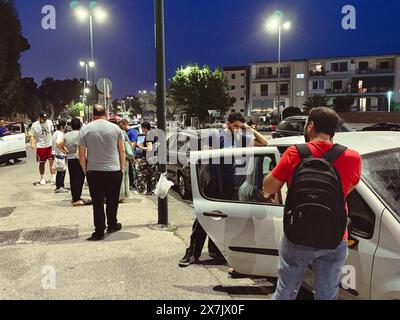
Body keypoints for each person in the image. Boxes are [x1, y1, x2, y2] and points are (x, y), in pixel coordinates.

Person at [263, 107, 362, 300]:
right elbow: (344, 193)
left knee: (286, 290)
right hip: (334, 236)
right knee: (327, 293)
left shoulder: (294, 153)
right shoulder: (353, 157)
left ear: (310, 125)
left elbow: (269, 188)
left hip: (297, 234)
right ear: (334, 130)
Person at [179, 113, 269, 267]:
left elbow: (264, 142)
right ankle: (192, 252)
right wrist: (206, 182)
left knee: (224, 219)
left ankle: (216, 251)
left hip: (230, 182)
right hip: (213, 182)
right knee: (204, 217)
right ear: (228, 124)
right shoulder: (216, 136)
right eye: (235, 126)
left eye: (240, 126)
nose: (237, 129)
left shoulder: (242, 137)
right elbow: (205, 158)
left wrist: (247, 128)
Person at [78, 105, 125, 241]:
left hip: (94, 171)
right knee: (112, 200)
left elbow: (81, 155)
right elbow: (121, 150)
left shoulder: (85, 129)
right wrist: (121, 168)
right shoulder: (115, 128)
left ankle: (99, 231)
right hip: (113, 170)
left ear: (93, 114)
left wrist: (85, 171)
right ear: (106, 113)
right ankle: (112, 224)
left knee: (97, 202)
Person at [61, 118, 89, 207]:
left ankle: (74, 198)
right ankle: (77, 198)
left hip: (70, 158)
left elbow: (59, 144)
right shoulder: (81, 134)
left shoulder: (67, 135)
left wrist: (65, 151)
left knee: (72, 178)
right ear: (80, 125)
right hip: (80, 158)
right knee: (80, 178)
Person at [30, 112, 56, 185]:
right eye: (43, 119)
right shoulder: (34, 125)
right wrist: (32, 142)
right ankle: (42, 178)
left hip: (50, 145)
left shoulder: (49, 122)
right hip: (40, 146)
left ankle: (53, 178)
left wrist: (55, 141)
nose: (44, 120)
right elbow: (32, 135)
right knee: (42, 163)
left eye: (45, 118)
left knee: (52, 162)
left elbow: (52, 132)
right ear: (39, 118)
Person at [136, 122, 158, 195]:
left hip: (147, 157)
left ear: (145, 128)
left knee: (140, 172)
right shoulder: (153, 133)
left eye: (142, 127)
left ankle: (141, 189)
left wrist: (140, 147)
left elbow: (149, 148)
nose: (141, 129)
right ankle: (151, 190)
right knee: (152, 174)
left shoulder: (149, 135)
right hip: (153, 157)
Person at [118, 119, 133, 203]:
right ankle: (124, 196)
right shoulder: (124, 133)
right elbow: (129, 144)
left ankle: (120, 196)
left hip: (117, 157)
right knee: (125, 177)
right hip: (125, 157)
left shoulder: (117, 132)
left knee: (120, 177)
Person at [53, 120, 68, 193]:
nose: (65, 128)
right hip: (60, 155)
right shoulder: (60, 134)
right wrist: (64, 151)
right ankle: (59, 186)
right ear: (62, 127)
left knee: (60, 171)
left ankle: (59, 186)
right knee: (61, 172)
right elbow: (58, 144)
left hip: (58, 154)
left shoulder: (56, 133)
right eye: (65, 126)